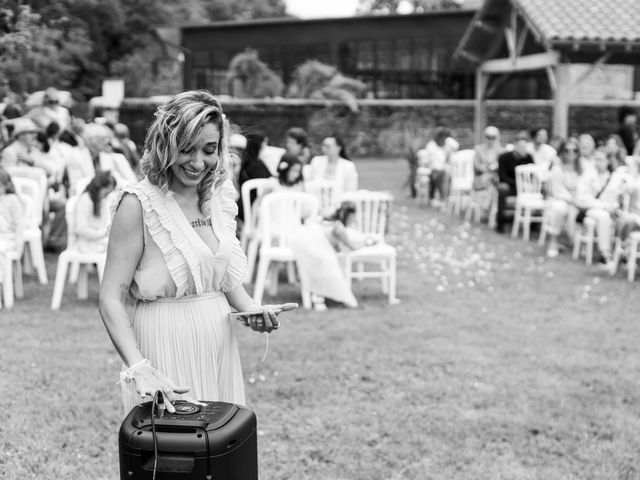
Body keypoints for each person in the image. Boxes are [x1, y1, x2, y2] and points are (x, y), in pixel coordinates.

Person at [98, 90, 292, 414]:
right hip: (163, 341)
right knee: (177, 456)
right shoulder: (137, 204)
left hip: (219, 339)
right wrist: (139, 366)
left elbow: (220, 274)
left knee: (222, 451)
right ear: (165, 145)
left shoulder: (220, 196)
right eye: (186, 149)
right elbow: (110, 298)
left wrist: (251, 309)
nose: (198, 162)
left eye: (209, 149)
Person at [575, 149, 627, 268]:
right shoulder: (588, 174)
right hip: (590, 209)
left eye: (600, 160)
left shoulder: (615, 176)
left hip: (610, 209)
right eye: (596, 159)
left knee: (625, 218)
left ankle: (625, 254)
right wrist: (604, 206)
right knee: (604, 217)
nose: (597, 162)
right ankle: (605, 254)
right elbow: (581, 198)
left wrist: (614, 207)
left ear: (608, 161)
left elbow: (617, 197)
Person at [543, 138, 586, 257]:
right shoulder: (557, 168)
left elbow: (586, 186)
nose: (571, 153)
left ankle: (579, 243)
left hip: (579, 200)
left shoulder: (583, 167)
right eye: (567, 150)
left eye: (574, 150)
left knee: (576, 212)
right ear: (561, 151)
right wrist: (573, 201)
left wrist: (579, 200)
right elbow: (557, 191)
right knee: (560, 208)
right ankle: (553, 240)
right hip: (559, 199)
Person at [495, 131, 534, 233]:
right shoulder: (504, 157)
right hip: (510, 185)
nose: (522, 148)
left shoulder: (528, 158)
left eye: (524, 146)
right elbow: (502, 176)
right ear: (515, 145)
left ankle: (534, 224)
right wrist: (517, 184)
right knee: (503, 188)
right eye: (520, 146)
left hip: (525, 188)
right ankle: (501, 221)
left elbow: (533, 175)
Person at [73, 171, 117, 254]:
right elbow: (80, 228)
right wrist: (103, 234)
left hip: (97, 240)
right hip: (86, 242)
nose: (106, 196)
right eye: (106, 193)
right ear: (98, 187)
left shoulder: (100, 201)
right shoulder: (85, 200)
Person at [237, 131, 272, 222]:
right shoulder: (256, 165)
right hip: (252, 209)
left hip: (244, 206)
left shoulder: (247, 162)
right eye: (264, 146)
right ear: (258, 146)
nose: (266, 149)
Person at [421, 126, 458, 205]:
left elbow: (456, 146)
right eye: (442, 137)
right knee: (440, 174)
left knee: (449, 175)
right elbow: (427, 162)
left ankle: (446, 197)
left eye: (445, 137)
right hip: (434, 171)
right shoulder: (431, 146)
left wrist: (449, 141)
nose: (443, 139)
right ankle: (444, 198)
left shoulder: (447, 145)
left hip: (446, 170)